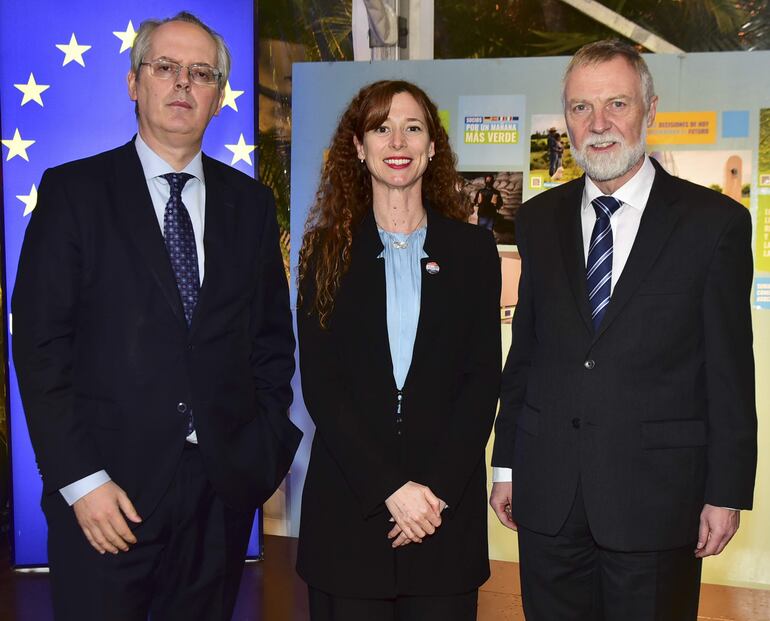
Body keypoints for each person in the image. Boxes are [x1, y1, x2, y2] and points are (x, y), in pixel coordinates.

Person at [12, 12, 300, 621]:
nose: (183, 84)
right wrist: (80, 481)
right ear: (133, 82)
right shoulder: (72, 192)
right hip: (106, 498)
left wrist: (261, 454)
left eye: (202, 73)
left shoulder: (250, 205)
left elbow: (271, 344)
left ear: (218, 96)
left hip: (220, 498)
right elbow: (40, 348)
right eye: (165, 67)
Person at [490, 40, 756, 621]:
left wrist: (726, 491)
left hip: (658, 502)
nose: (599, 124)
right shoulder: (538, 220)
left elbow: (730, 373)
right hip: (549, 496)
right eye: (581, 108)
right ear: (566, 119)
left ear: (649, 109)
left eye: (616, 103)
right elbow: (525, 355)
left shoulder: (715, 225)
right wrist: (506, 464)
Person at [296, 80, 501, 621]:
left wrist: (431, 495)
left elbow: (482, 382)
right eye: (381, 128)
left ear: (432, 147)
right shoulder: (325, 252)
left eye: (413, 128)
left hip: (441, 517)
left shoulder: (474, 251)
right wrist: (390, 489)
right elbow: (322, 385)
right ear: (359, 148)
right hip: (351, 513)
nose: (397, 141)